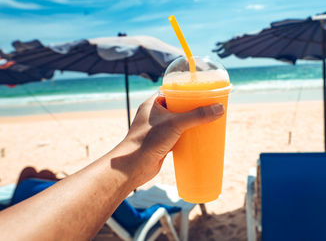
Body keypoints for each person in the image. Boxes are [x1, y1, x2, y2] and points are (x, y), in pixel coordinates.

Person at [0, 94, 225, 240]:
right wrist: (134, 152)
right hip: (138, 216)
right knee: (36, 176)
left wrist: (134, 155)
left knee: (33, 175)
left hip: (25, 206)